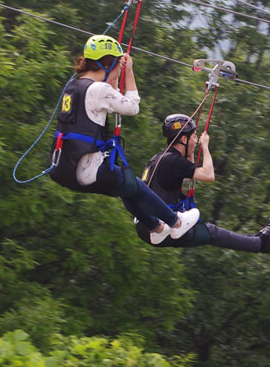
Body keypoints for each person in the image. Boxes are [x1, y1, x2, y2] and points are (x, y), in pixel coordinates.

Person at [49, 35, 198, 245]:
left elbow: (99, 108)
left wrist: (112, 80)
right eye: (118, 65)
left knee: (127, 188)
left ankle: (156, 227)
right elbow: (132, 106)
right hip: (90, 171)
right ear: (108, 64)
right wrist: (129, 71)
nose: (120, 69)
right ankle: (175, 223)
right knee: (133, 185)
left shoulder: (74, 87)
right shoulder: (99, 90)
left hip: (65, 169)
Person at [138, 114, 270, 253]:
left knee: (207, 231)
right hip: (158, 228)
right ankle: (261, 243)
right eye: (193, 136)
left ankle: (256, 240)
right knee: (210, 232)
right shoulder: (173, 161)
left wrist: (190, 153)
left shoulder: (160, 158)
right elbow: (209, 175)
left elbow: (187, 177)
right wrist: (205, 147)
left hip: (147, 225)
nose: (196, 140)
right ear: (183, 139)